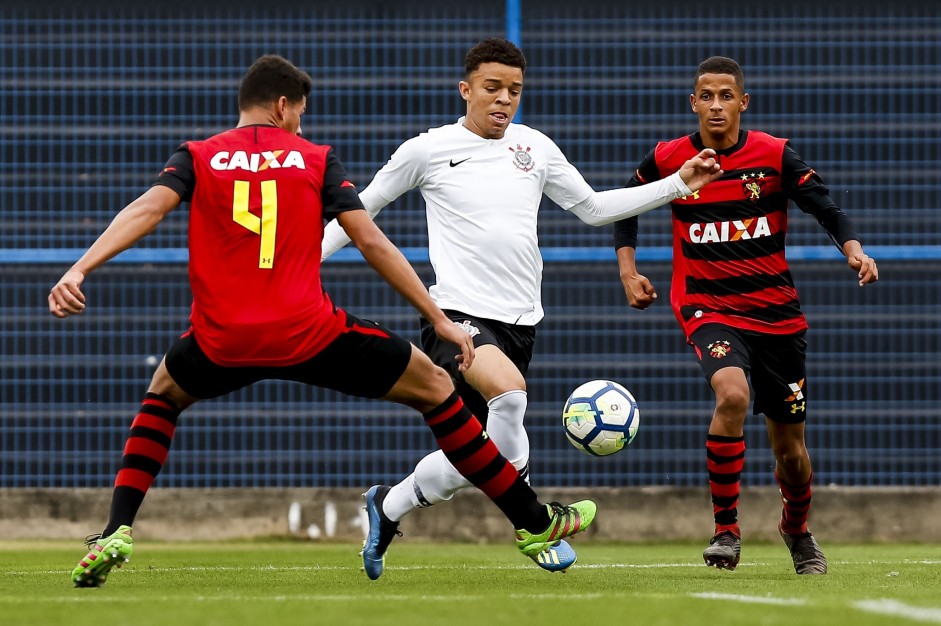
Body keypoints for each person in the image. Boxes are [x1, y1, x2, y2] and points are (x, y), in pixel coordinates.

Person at [49, 54, 600, 588]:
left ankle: (115, 531)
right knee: (436, 389)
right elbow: (371, 240)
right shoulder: (314, 158)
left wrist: (79, 268)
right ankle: (532, 522)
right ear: (285, 106)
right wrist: (439, 318)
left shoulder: (197, 154)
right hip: (307, 331)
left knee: (162, 397)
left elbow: (147, 208)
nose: (300, 123)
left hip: (222, 337)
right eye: (300, 113)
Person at [320, 38, 722, 579]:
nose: (504, 100)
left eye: (514, 90)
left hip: (521, 322)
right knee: (510, 393)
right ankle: (534, 524)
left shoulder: (534, 146)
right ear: (465, 90)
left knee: (476, 458)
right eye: (492, 88)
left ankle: (387, 507)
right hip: (454, 314)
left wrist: (678, 184)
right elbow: (358, 212)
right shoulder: (427, 149)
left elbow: (594, 209)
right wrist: (295, 266)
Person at [612, 56, 879, 575]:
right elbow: (624, 205)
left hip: (777, 315)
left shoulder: (773, 155)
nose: (716, 105)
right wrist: (628, 271)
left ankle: (797, 531)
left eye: (725, 96)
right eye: (706, 96)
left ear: (742, 102)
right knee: (731, 394)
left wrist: (853, 249)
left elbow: (827, 208)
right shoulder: (671, 158)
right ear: (693, 103)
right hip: (706, 305)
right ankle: (726, 531)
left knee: (792, 453)